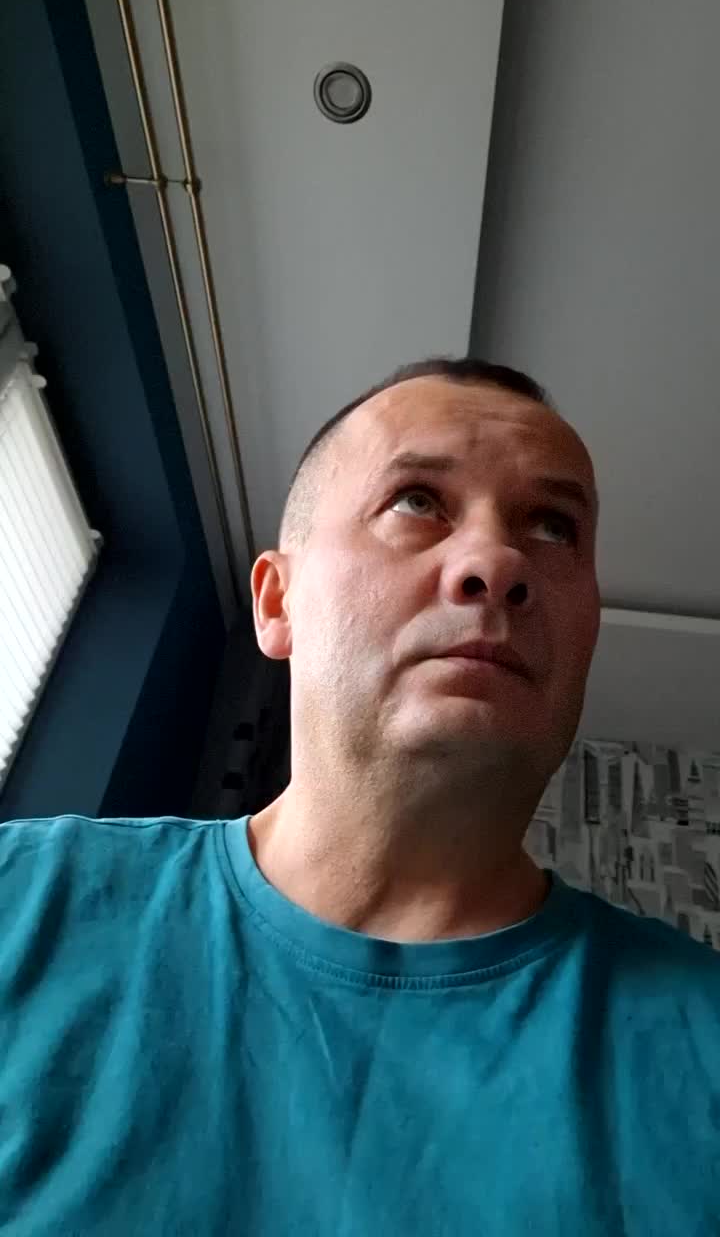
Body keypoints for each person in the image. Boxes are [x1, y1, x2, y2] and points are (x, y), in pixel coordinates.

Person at [1, 358, 718, 1236]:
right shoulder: (22, 899)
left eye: (553, 526)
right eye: (417, 501)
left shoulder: (703, 1046)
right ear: (278, 601)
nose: (498, 561)